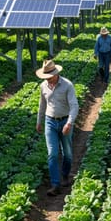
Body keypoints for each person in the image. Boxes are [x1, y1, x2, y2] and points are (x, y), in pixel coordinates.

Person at [35, 59, 79, 196]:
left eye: (50, 77)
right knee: (52, 154)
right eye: (45, 77)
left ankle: (65, 175)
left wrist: (69, 123)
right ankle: (55, 184)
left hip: (65, 121)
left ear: (56, 74)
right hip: (50, 122)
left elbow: (74, 106)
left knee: (67, 153)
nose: (48, 79)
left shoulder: (67, 85)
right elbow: (42, 105)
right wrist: (39, 121)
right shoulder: (43, 86)